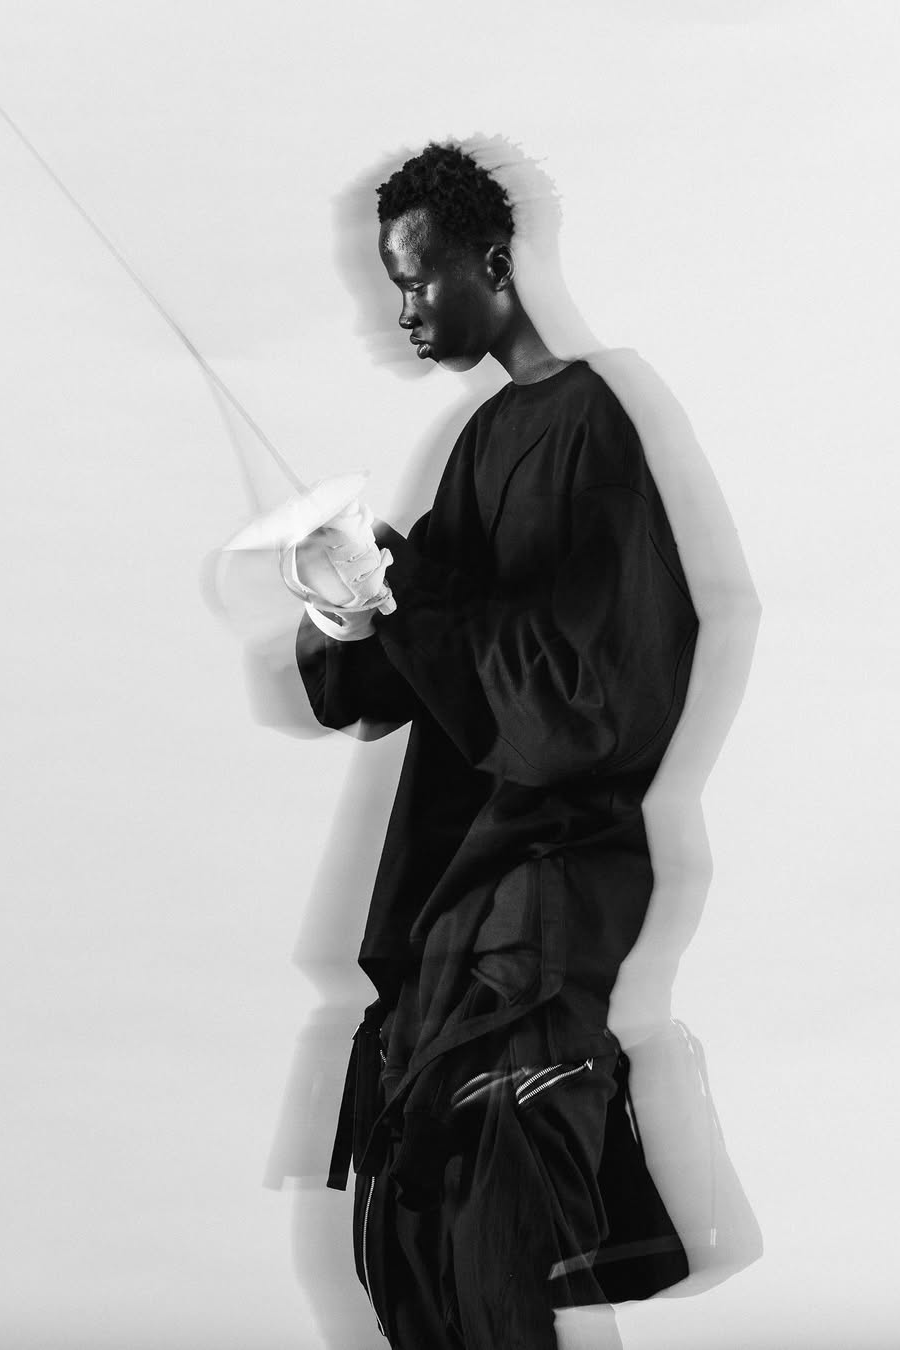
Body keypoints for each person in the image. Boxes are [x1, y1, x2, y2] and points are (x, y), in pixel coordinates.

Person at [286, 142, 699, 1350]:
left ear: (494, 264)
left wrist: (417, 596)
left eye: (417, 280)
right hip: (457, 900)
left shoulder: (590, 423)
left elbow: (597, 696)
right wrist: (344, 601)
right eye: (393, 287)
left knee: (494, 1236)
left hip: (545, 893)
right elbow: (396, 674)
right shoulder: (485, 443)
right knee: (415, 1237)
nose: (403, 312)